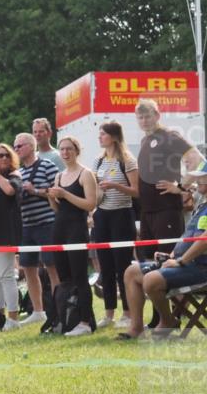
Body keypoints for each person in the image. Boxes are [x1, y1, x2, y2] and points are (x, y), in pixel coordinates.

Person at [119, 169, 207, 339]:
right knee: (132, 272)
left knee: (151, 279)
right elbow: (187, 237)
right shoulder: (202, 204)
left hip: (201, 267)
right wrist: (172, 256)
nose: (198, 182)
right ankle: (136, 328)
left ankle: (167, 321)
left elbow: (204, 241)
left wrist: (180, 261)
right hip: (184, 262)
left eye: (202, 178)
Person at [135, 98, 205, 260]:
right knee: (149, 260)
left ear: (157, 115)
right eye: (140, 117)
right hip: (147, 210)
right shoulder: (145, 140)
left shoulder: (169, 135)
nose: (144, 121)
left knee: (168, 258)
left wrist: (181, 187)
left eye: (148, 116)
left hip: (166, 209)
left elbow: (198, 160)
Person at [48, 136, 100, 336]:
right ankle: (69, 318)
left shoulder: (86, 174)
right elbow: (57, 208)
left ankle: (86, 322)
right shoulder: (59, 176)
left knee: (80, 276)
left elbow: (90, 205)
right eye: (62, 149)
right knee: (64, 278)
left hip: (77, 228)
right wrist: (52, 197)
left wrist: (66, 195)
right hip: (59, 227)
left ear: (77, 151)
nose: (65, 153)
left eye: (69, 149)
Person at [92, 122, 139, 329]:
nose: (100, 137)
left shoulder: (127, 160)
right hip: (102, 216)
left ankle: (128, 313)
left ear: (113, 136)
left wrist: (114, 186)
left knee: (123, 267)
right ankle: (109, 313)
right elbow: (93, 188)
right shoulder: (98, 161)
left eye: (103, 134)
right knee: (106, 267)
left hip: (122, 216)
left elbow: (136, 191)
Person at [14, 132, 61, 324]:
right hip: (26, 225)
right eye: (15, 146)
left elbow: (57, 192)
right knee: (28, 267)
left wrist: (35, 191)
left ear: (31, 146)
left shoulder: (47, 166)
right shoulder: (17, 172)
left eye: (19, 146)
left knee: (52, 266)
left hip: (47, 223)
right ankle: (38, 311)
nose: (16, 150)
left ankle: (59, 307)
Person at [0, 143, 23, 330]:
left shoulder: (14, 175)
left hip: (6, 233)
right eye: (0, 156)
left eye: (7, 155)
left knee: (7, 275)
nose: (4, 159)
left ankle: (14, 318)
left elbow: (10, 191)